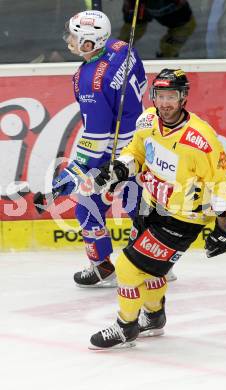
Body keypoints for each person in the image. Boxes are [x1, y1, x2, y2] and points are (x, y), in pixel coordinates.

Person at [88, 68, 226, 349]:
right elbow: (136, 152)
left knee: (127, 267)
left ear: (184, 98)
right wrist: (120, 167)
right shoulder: (147, 120)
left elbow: (221, 183)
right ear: (154, 96)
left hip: (183, 218)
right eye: (161, 95)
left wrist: (223, 228)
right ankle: (154, 317)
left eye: (173, 96)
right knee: (150, 271)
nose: (165, 103)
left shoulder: (200, 140)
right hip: (152, 203)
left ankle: (126, 326)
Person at [51, 10, 148, 288]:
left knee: (88, 205)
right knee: (138, 205)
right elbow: (141, 84)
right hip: (140, 142)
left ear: (89, 44)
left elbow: (96, 136)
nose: (69, 39)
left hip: (113, 152)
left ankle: (103, 266)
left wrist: (74, 170)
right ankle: (155, 265)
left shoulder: (88, 79)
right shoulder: (123, 48)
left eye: (74, 36)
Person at [119, 0, 196, 58]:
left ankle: (168, 58)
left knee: (180, 34)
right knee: (125, 39)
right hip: (139, 7)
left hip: (174, 11)